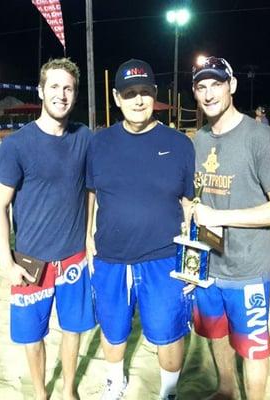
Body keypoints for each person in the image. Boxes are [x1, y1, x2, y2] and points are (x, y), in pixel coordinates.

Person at [86, 59, 195, 400]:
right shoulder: (98, 144)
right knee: (114, 329)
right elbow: (91, 195)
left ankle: (168, 392)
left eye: (145, 92)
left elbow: (191, 207)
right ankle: (115, 382)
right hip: (110, 257)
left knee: (168, 331)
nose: (138, 100)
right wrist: (88, 241)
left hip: (164, 258)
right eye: (130, 93)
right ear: (117, 98)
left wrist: (192, 260)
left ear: (155, 95)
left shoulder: (179, 144)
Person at [0, 58, 96, 400]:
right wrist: (7, 262)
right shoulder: (16, 146)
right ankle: (40, 393)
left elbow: (90, 191)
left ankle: (67, 390)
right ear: (41, 90)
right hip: (30, 263)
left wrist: (90, 235)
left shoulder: (85, 139)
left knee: (73, 329)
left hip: (74, 260)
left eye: (67, 88)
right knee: (31, 337)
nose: (60, 94)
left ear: (75, 94)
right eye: (53, 86)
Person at [191, 56, 270, 400]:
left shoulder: (261, 138)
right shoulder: (198, 139)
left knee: (254, 346)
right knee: (216, 335)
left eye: (217, 83)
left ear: (232, 86)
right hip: (208, 263)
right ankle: (226, 389)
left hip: (247, 267)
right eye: (202, 86)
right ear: (195, 93)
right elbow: (198, 196)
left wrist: (220, 217)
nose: (210, 93)